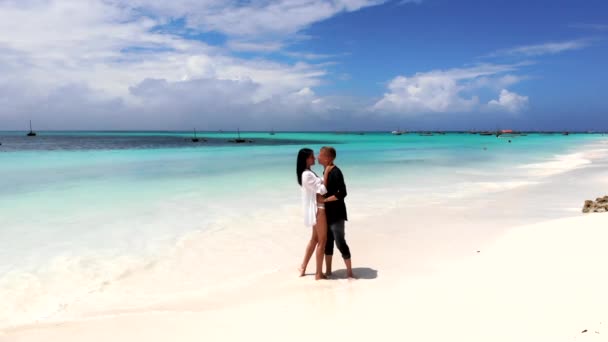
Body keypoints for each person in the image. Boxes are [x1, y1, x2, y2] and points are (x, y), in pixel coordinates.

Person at [318, 146, 354, 279]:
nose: (318, 157)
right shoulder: (326, 171)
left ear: (327, 158)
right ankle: (328, 271)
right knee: (328, 242)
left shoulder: (336, 172)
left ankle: (350, 272)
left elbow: (342, 193)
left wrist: (326, 200)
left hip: (337, 214)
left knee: (340, 242)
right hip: (327, 214)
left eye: (320, 155)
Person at [296, 148, 329, 280]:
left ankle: (303, 266)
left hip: (316, 209)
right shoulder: (307, 175)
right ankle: (318, 273)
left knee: (315, 239)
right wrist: (327, 173)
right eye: (311, 157)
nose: (314, 158)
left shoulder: (308, 173)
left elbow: (318, 183)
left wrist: (323, 178)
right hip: (318, 210)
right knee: (322, 240)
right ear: (305, 159)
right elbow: (322, 190)